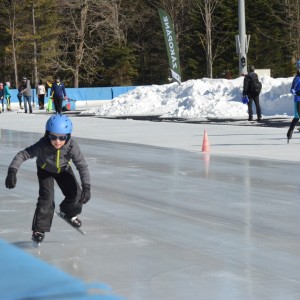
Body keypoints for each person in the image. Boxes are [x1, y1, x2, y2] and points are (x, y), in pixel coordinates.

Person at [5, 114, 91, 244]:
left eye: (62, 137)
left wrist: (87, 186)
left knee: (77, 194)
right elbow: (23, 154)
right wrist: (12, 171)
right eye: (53, 137)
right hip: (45, 170)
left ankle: (68, 212)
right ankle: (39, 229)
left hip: (63, 169)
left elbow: (82, 166)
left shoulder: (72, 147)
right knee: (47, 199)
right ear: (47, 134)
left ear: (68, 136)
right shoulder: (42, 144)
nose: (57, 141)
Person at [287, 60, 300, 142]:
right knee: (297, 117)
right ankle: (290, 131)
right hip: (298, 99)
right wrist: (294, 92)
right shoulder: (296, 78)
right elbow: (291, 89)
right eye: (299, 68)